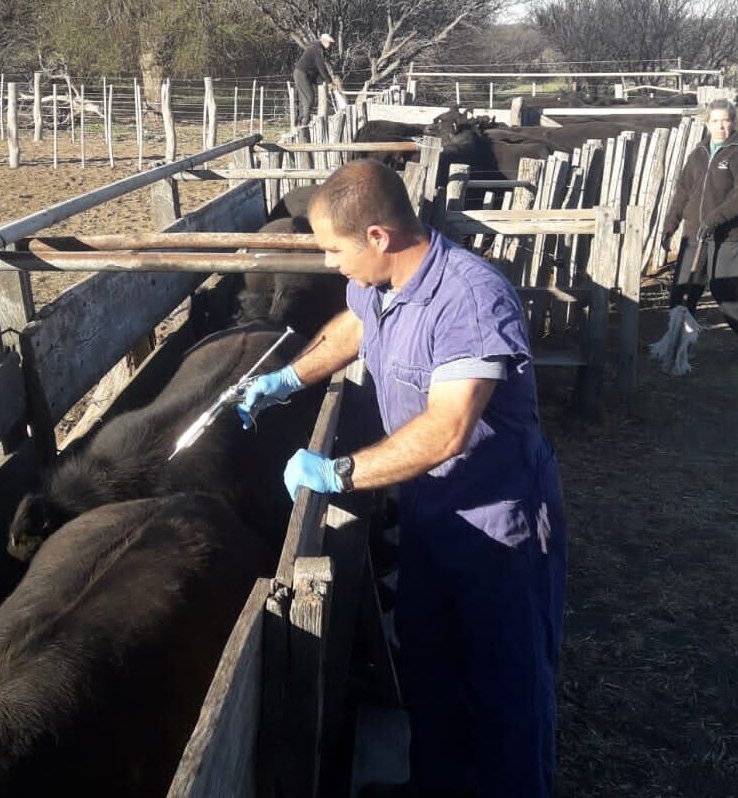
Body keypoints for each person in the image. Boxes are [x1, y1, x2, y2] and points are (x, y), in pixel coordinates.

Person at [237, 160, 567, 798]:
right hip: (430, 515)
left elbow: (447, 430)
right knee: (431, 674)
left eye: (335, 250)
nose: (331, 264)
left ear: (378, 237)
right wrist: (283, 382)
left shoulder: (469, 300)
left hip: (499, 528)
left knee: (506, 694)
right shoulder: (383, 283)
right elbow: (354, 329)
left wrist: (339, 471)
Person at [661, 98, 738, 362]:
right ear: (706, 122)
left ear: (733, 121)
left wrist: (714, 219)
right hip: (695, 233)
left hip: (729, 235)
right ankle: (679, 348)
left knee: (723, 291)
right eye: (715, 121)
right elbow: (683, 191)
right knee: (682, 292)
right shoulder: (699, 153)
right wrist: (669, 226)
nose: (721, 126)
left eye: (726, 120)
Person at [293, 33, 338, 127]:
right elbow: (321, 68)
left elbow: (317, 70)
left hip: (304, 74)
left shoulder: (318, 49)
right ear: (324, 41)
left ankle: (300, 121)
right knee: (309, 99)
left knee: (304, 99)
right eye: (331, 43)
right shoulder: (317, 50)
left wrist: (324, 82)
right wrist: (329, 81)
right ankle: (304, 123)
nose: (332, 46)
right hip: (302, 74)